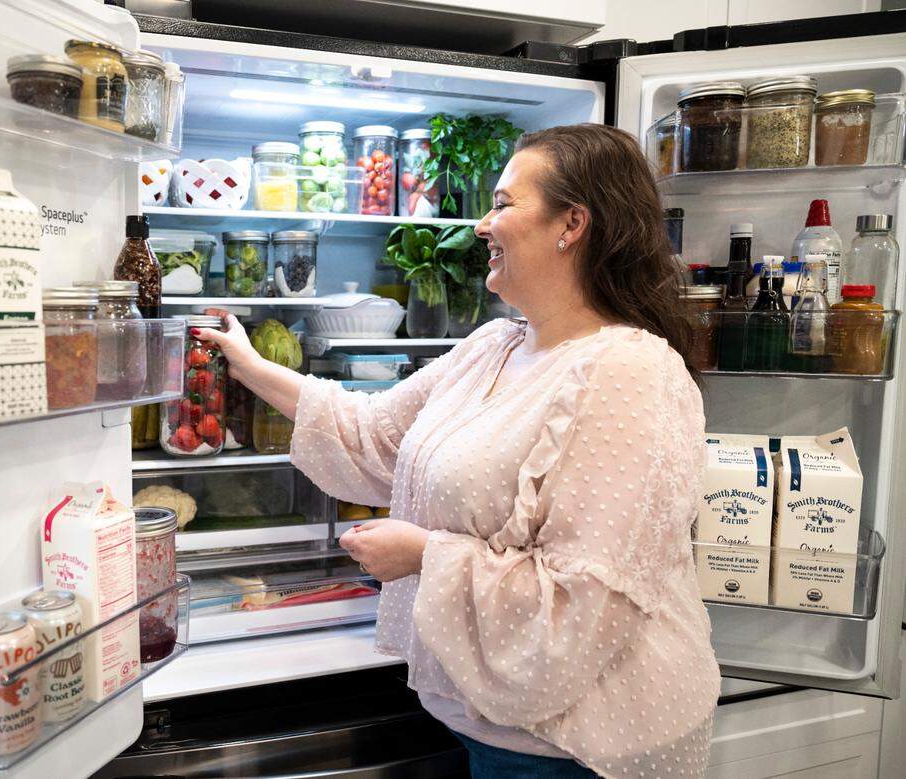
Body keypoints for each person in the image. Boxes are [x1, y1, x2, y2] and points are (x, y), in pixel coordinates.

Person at [193, 124, 720, 779]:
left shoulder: (630, 372)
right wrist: (247, 363)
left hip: (581, 747)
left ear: (572, 224)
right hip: (488, 720)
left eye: (502, 204)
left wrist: (423, 554)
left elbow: (586, 600)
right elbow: (373, 433)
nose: (480, 225)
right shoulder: (495, 346)